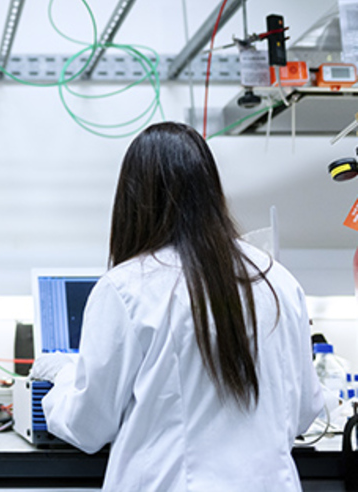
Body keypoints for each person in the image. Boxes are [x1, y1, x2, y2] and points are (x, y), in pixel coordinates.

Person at [37, 121, 324, 491]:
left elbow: (87, 425)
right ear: (211, 190)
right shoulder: (276, 279)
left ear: (133, 199)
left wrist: (62, 376)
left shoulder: (128, 288)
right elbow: (303, 412)